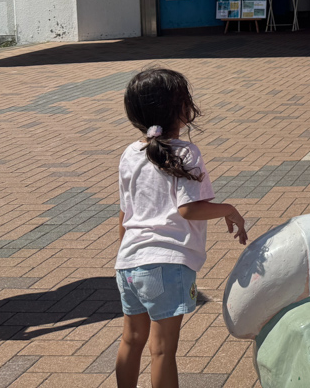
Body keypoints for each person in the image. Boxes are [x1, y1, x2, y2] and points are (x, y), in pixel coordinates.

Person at [114, 68, 248, 388]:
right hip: (167, 264)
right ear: (181, 109)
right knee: (162, 351)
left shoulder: (130, 154)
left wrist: (123, 255)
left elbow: (124, 214)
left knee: (131, 340)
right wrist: (229, 210)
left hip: (128, 264)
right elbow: (188, 209)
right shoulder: (186, 153)